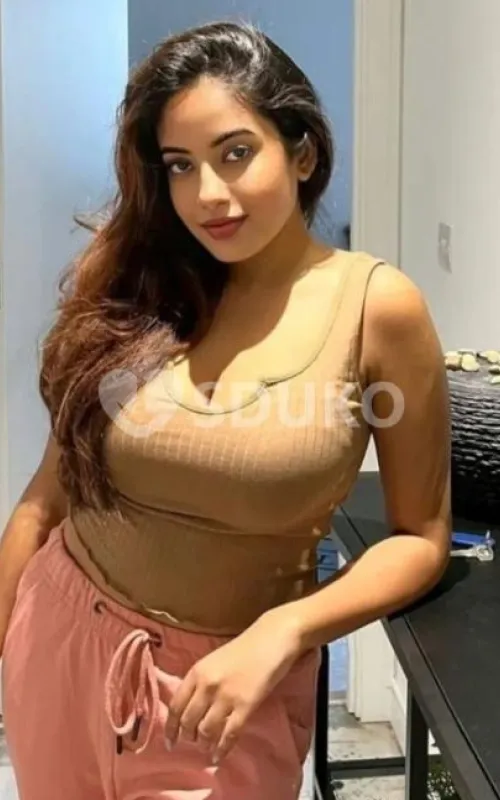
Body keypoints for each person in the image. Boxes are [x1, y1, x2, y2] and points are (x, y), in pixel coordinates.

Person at [0, 20, 451, 800]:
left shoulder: (376, 309)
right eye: (181, 165)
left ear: (302, 152)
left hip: (226, 695)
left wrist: (286, 628)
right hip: (60, 643)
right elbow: (51, 493)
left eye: (236, 153)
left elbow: (421, 538)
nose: (207, 194)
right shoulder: (142, 286)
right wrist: (10, 634)